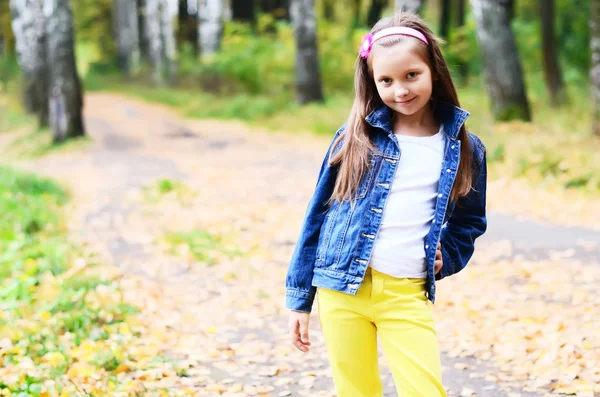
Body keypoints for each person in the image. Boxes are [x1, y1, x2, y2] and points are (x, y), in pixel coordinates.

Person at [285, 11, 488, 397]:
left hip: (406, 291)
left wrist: (451, 253)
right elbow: (318, 215)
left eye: (412, 75)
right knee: (357, 391)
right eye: (386, 80)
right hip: (341, 290)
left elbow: (470, 221)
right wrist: (300, 299)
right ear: (373, 82)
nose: (401, 90)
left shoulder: (464, 147)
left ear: (434, 71)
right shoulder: (354, 139)